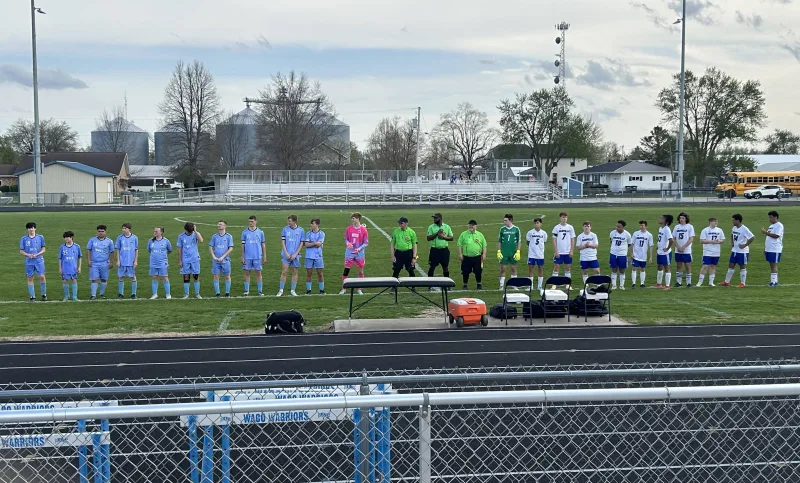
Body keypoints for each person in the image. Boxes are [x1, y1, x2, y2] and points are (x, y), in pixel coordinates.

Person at [339, 213, 369, 295]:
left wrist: (359, 248)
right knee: (346, 270)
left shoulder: (363, 230)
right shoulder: (349, 229)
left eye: (353, 218)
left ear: (357, 219)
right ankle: (344, 288)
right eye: (352, 218)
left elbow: (366, 242)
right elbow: (346, 238)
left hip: (359, 254)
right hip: (350, 252)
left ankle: (359, 289)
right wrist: (348, 243)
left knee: (360, 270)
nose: (352, 220)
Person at [722, 213, 755, 288]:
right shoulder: (734, 228)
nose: (732, 222)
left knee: (742, 266)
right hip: (735, 250)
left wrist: (745, 245)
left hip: (742, 252)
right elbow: (732, 234)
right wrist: (732, 242)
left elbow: (752, 237)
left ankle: (742, 283)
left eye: (733, 220)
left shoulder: (744, 229)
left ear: (738, 220)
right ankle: (727, 282)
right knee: (731, 265)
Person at [278, 215, 305, 297]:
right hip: (286, 254)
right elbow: (283, 242)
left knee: (295, 272)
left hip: (295, 256)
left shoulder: (301, 230)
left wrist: (296, 254)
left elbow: (301, 243)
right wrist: (286, 253)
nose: (288, 222)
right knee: (284, 272)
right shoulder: (285, 229)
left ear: (294, 221)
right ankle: (281, 290)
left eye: (289, 221)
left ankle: (293, 290)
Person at [20, 222, 47, 302]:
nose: (31, 229)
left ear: (35, 228)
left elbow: (43, 249)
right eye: (29, 228)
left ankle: (43, 294)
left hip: (39, 260)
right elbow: (21, 251)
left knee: (42, 276)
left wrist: (37, 254)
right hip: (29, 261)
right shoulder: (24, 239)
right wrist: (28, 255)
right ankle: (32, 296)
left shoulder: (40, 237)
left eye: (32, 228)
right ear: (27, 229)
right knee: (30, 278)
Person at [86, 225, 115, 300]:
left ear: (105, 232)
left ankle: (101, 294)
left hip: (105, 263)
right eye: (99, 231)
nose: (101, 233)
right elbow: (88, 250)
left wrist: (111, 262)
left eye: (102, 231)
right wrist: (89, 260)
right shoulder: (92, 240)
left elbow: (112, 252)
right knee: (94, 279)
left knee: (104, 279)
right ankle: (93, 295)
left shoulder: (109, 241)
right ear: (97, 232)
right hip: (94, 263)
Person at [457, 220, 487, 290]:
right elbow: (459, 245)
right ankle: (465, 284)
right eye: (470, 225)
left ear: (476, 226)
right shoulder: (463, 234)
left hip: (477, 257)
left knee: (478, 271)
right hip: (466, 257)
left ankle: (479, 284)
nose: (471, 226)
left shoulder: (480, 235)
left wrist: (484, 254)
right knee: (465, 271)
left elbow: (484, 245)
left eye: (473, 225)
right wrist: (460, 254)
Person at [177, 222, 204, 299]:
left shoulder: (195, 234)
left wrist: (195, 231)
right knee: (186, 276)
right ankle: (186, 294)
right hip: (185, 260)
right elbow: (179, 249)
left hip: (195, 258)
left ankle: (197, 293)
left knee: (196, 276)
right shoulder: (181, 236)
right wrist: (179, 260)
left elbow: (201, 240)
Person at [241, 215, 266, 296]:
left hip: (257, 256)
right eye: (249, 221)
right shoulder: (245, 232)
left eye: (252, 221)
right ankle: (246, 291)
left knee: (258, 273)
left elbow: (263, 244)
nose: (250, 223)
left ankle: (260, 291)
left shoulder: (260, 232)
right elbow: (243, 246)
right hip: (247, 256)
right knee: (247, 273)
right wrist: (242, 256)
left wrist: (264, 256)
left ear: (256, 221)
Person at [697, 217, 725, 287]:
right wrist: (711, 241)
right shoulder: (705, 230)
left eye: (716, 221)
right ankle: (700, 282)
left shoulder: (719, 230)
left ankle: (711, 282)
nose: (716, 223)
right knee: (705, 266)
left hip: (716, 252)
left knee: (713, 266)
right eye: (714, 221)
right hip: (707, 252)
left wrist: (718, 241)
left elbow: (723, 240)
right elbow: (701, 241)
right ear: (710, 222)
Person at [209, 220, 234, 297]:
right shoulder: (214, 236)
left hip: (225, 260)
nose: (219, 225)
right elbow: (210, 246)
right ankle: (217, 293)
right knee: (216, 276)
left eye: (220, 224)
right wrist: (213, 256)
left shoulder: (229, 236)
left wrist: (223, 257)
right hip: (216, 260)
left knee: (227, 276)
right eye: (218, 224)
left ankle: (227, 293)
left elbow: (231, 248)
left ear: (224, 226)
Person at [497, 214, 521, 290]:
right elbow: (499, 241)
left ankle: (514, 284)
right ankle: (501, 285)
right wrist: (499, 251)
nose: (504, 222)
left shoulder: (516, 229)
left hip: (513, 252)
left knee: (513, 268)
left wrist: (518, 251)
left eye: (506, 220)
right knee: (503, 269)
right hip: (504, 252)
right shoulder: (502, 229)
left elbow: (519, 241)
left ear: (510, 220)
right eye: (504, 220)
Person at [147, 226, 172, 299]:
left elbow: (170, 250)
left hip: (162, 263)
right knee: (154, 277)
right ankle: (154, 294)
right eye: (154, 231)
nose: (154, 232)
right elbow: (149, 250)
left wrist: (162, 256)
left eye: (156, 231)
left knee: (165, 277)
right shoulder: (151, 241)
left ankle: (168, 294)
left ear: (161, 232)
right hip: (153, 262)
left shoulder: (166, 241)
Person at [426, 213, 454, 279]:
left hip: (444, 250)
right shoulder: (431, 227)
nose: (434, 219)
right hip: (434, 250)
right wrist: (437, 233)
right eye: (434, 218)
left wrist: (444, 237)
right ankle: (430, 284)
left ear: (440, 219)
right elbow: (428, 238)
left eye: (436, 218)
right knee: (432, 267)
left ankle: (447, 284)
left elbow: (451, 238)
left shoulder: (447, 227)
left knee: (445, 267)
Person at [115, 223, 139, 299]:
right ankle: (121, 294)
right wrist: (118, 260)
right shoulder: (120, 238)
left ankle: (133, 294)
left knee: (133, 277)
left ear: (129, 229)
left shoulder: (134, 238)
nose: (123, 230)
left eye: (125, 228)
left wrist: (135, 261)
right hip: (122, 261)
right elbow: (118, 250)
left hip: (131, 261)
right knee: (121, 277)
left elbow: (136, 250)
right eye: (122, 228)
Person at [551, 212, 576, 284]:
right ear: (560, 218)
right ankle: (554, 284)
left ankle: (567, 284)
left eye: (565, 217)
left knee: (567, 268)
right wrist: (556, 251)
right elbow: (554, 239)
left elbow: (572, 239)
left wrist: (571, 251)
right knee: (556, 267)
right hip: (559, 251)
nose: (564, 219)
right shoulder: (556, 227)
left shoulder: (570, 227)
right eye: (563, 217)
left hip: (567, 251)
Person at [673, 212, 696, 287]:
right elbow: (674, 238)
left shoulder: (689, 227)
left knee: (687, 265)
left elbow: (691, 239)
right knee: (679, 265)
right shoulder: (676, 227)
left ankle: (688, 282)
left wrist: (683, 247)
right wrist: (678, 247)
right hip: (678, 250)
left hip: (686, 250)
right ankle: (678, 282)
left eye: (683, 218)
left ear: (686, 219)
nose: (681, 219)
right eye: (680, 218)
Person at [762, 210, 784, 287]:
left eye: (770, 217)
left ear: (775, 217)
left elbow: (776, 235)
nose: (769, 219)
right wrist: (765, 249)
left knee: (773, 265)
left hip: (775, 248)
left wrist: (765, 232)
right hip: (769, 249)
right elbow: (769, 238)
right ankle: (775, 281)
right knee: (772, 265)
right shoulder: (771, 226)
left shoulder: (779, 225)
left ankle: (773, 282)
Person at [525, 218, 548, 291]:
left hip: (540, 255)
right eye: (535, 223)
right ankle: (530, 286)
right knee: (531, 269)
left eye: (538, 223)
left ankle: (539, 286)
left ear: (541, 224)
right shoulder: (530, 233)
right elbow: (528, 242)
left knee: (540, 269)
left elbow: (544, 242)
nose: (536, 224)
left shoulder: (544, 233)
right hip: (531, 254)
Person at [304, 218, 326, 295]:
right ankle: (308, 290)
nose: (311, 225)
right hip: (309, 256)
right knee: (309, 273)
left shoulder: (322, 233)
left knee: (320, 273)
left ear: (317, 224)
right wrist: (315, 243)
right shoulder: (308, 233)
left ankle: (321, 290)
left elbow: (319, 244)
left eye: (313, 223)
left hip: (318, 256)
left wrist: (311, 243)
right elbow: (306, 244)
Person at [58, 231, 81, 301]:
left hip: (73, 267)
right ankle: (66, 296)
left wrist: (79, 267)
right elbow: (60, 258)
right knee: (65, 281)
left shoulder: (77, 246)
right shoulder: (62, 247)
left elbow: (80, 257)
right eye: (65, 238)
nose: (66, 239)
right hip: (65, 267)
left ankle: (74, 297)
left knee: (74, 280)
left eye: (67, 237)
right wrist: (60, 268)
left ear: (71, 237)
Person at [609, 220, 632, 290]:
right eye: (617, 226)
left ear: (623, 227)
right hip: (613, 254)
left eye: (619, 227)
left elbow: (629, 244)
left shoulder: (627, 235)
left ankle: (622, 285)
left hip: (622, 255)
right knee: (614, 269)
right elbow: (611, 241)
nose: (617, 228)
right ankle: (614, 285)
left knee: (622, 270)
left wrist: (622, 250)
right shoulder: (612, 233)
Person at [630, 220, 654, 288]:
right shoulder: (635, 233)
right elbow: (632, 243)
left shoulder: (649, 235)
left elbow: (651, 246)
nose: (641, 227)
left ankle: (642, 283)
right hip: (636, 255)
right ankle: (633, 283)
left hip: (643, 255)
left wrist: (651, 257)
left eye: (642, 225)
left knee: (642, 269)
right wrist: (631, 253)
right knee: (634, 268)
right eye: (640, 225)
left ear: (646, 226)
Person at [655, 214, 674, 290]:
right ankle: (659, 283)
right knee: (659, 266)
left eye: (662, 218)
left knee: (667, 267)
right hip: (659, 251)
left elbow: (671, 240)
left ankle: (667, 285)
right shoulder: (660, 228)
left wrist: (667, 248)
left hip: (665, 253)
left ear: (665, 221)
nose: (660, 219)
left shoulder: (667, 229)